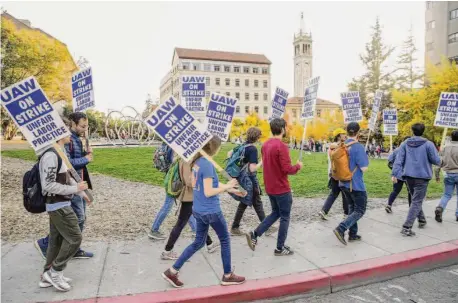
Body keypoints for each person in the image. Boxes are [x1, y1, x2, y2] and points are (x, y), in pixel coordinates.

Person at [162, 136, 246, 288]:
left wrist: (230, 187)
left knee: (198, 242)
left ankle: (172, 271)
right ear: (215, 148)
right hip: (211, 211)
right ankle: (227, 275)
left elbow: (209, 183)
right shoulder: (207, 164)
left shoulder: (197, 162)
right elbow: (209, 191)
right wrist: (227, 187)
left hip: (198, 210)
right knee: (225, 240)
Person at [35, 112, 94, 259]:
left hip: (76, 182)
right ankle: (65, 247)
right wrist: (86, 159)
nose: (84, 129)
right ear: (73, 124)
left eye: (86, 126)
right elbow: (67, 164)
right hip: (69, 185)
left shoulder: (77, 139)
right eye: (82, 126)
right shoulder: (66, 142)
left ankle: (67, 248)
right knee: (77, 218)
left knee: (76, 218)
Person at [38, 133, 89, 292]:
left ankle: (47, 274)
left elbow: (67, 176)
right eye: (66, 131)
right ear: (59, 135)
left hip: (61, 203)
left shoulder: (59, 151)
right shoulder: (51, 155)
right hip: (58, 205)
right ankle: (55, 272)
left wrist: (82, 193)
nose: (69, 134)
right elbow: (48, 185)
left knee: (57, 240)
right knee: (75, 238)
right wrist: (76, 189)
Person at [245, 118, 303, 256]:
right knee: (285, 217)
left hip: (270, 187)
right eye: (286, 127)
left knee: (276, 213)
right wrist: (298, 166)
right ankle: (279, 247)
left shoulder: (265, 145)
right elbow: (287, 169)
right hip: (281, 188)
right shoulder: (281, 146)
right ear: (282, 129)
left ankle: (255, 233)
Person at [160, 158, 219, 260]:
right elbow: (189, 181)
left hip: (192, 196)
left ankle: (210, 244)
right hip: (190, 196)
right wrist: (205, 182)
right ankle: (167, 250)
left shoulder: (183, 158)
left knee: (199, 220)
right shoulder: (187, 160)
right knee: (181, 223)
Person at [392, 123, 440, 236]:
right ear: (423, 131)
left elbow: (398, 161)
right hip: (422, 177)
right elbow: (436, 160)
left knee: (415, 200)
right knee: (417, 201)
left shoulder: (404, 144)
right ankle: (406, 227)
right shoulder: (428, 144)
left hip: (408, 176)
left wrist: (395, 174)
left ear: (412, 131)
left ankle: (422, 219)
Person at [148, 147, 197, 240]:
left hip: (173, 181)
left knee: (186, 207)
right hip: (175, 183)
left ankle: (196, 230)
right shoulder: (180, 151)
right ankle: (154, 230)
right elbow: (183, 172)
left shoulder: (171, 146)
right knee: (168, 206)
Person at [333, 122, 369, 246]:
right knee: (360, 210)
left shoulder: (341, 145)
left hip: (342, 183)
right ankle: (341, 228)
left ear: (347, 132)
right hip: (355, 184)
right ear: (358, 133)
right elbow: (364, 168)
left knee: (352, 208)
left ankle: (353, 234)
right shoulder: (358, 147)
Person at [318, 128, 349, 220]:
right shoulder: (337, 146)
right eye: (343, 134)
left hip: (334, 173)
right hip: (341, 173)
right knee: (345, 194)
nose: (345, 135)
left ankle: (324, 211)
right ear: (339, 135)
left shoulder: (332, 146)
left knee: (334, 193)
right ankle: (346, 214)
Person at [435, 130, 458, 223]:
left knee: (447, 194)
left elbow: (438, 163)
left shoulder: (444, 148)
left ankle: (440, 208)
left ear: (451, 137)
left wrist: (437, 175)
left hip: (448, 174)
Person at [385, 137, 412, 213]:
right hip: (408, 174)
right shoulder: (411, 151)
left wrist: (394, 170)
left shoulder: (397, 150)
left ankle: (389, 205)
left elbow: (390, 161)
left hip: (398, 174)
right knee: (410, 191)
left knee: (396, 190)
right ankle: (411, 208)